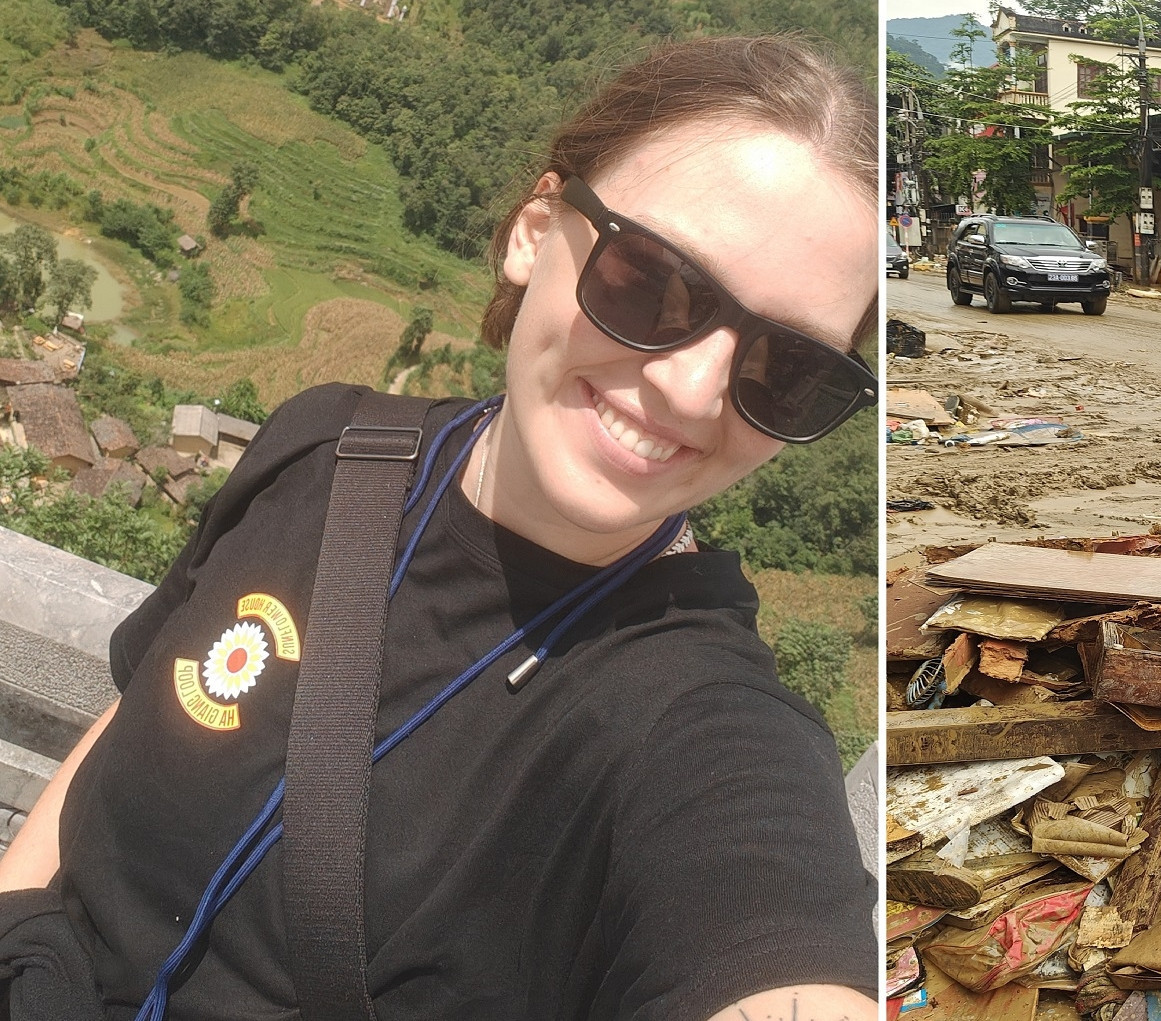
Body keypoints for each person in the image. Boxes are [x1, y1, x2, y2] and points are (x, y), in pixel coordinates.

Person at [0, 37, 880, 1021]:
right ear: (534, 232)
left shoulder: (701, 729)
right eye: (655, 283)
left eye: (789, 370)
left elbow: (766, 912)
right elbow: (138, 712)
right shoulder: (321, 444)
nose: (691, 387)